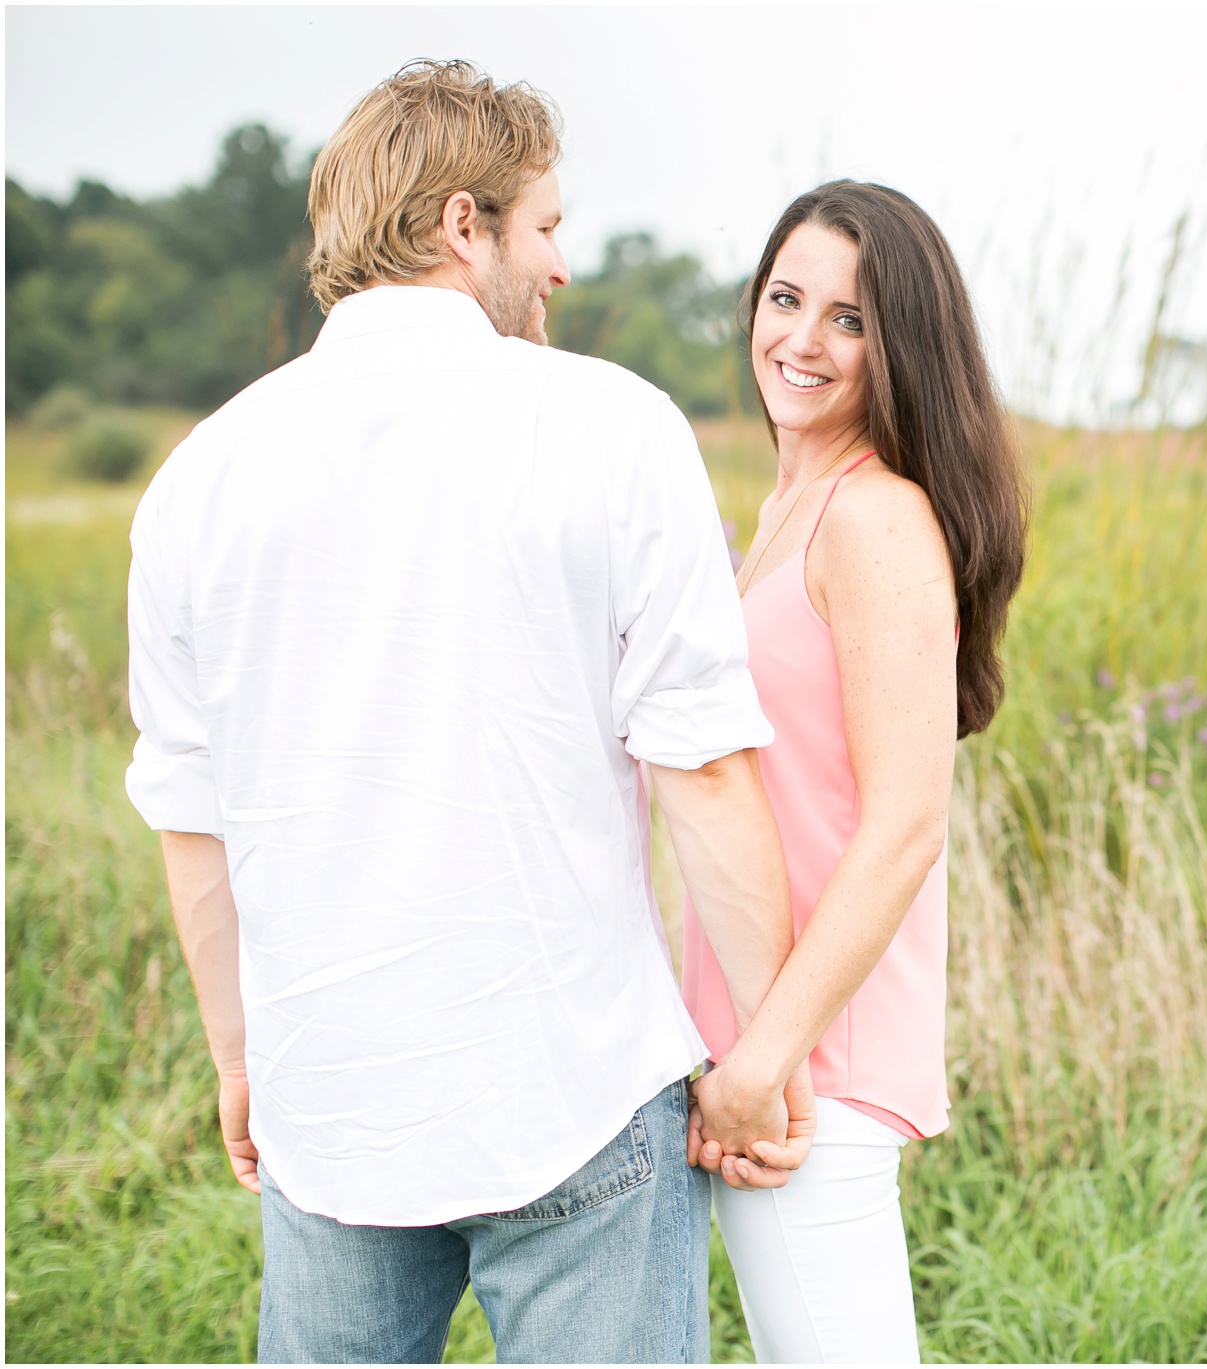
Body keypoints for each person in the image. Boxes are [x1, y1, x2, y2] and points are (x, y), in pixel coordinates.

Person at [125, 60, 806, 1364]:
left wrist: (239, 1058)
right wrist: (767, 1050)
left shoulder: (198, 478)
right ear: (461, 224)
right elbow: (704, 773)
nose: (559, 265)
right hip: (576, 1094)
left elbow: (191, 815)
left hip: (332, 1110)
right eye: (543, 225)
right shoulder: (614, 425)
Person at [675, 181, 1028, 1362]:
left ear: (902, 346)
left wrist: (764, 1058)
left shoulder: (872, 518)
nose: (803, 339)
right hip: (758, 1052)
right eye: (786, 299)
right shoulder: (785, 511)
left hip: (804, 1072)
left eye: (851, 318)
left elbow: (904, 830)